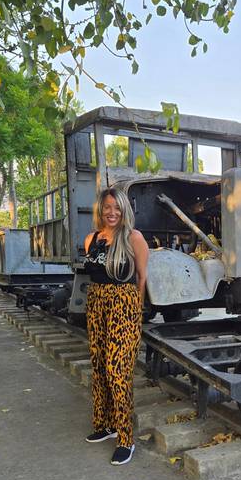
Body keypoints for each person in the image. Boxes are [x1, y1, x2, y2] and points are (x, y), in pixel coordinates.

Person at [83, 187, 149, 465]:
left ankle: (125, 438)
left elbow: (142, 278)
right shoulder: (92, 239)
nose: (112, 213)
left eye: (117, 208)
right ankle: (106, 425)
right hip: (96, 304)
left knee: (116, 369)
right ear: (100, 209)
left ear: (124, 211)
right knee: (98, 365)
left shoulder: (134, 238)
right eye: (107, 207)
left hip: (124, 306)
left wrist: (135, 312)